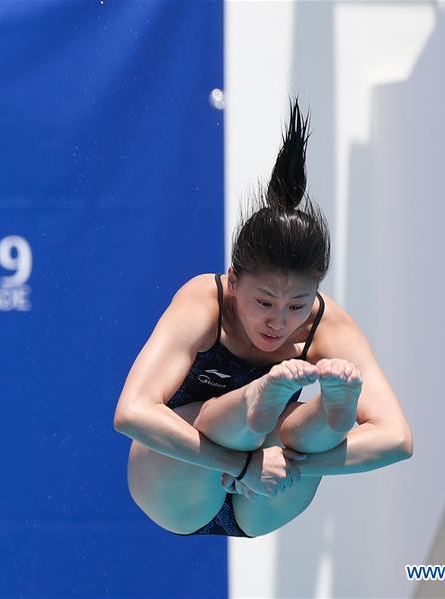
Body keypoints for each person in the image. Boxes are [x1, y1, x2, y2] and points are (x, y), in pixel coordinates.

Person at [112, 99, 413, 538]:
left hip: (267, 496)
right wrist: (243, 463)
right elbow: (132, 413)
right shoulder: (205, 300)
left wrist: (294, 462)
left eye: (297, 305)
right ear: (233, 280)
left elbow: (396, 440)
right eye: (265, 301)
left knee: (305, 430)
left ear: (316, 291)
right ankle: (264, 398)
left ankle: (329, 414)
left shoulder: (329, 324)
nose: (278, 321)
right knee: (224, 416)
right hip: (178, 481)